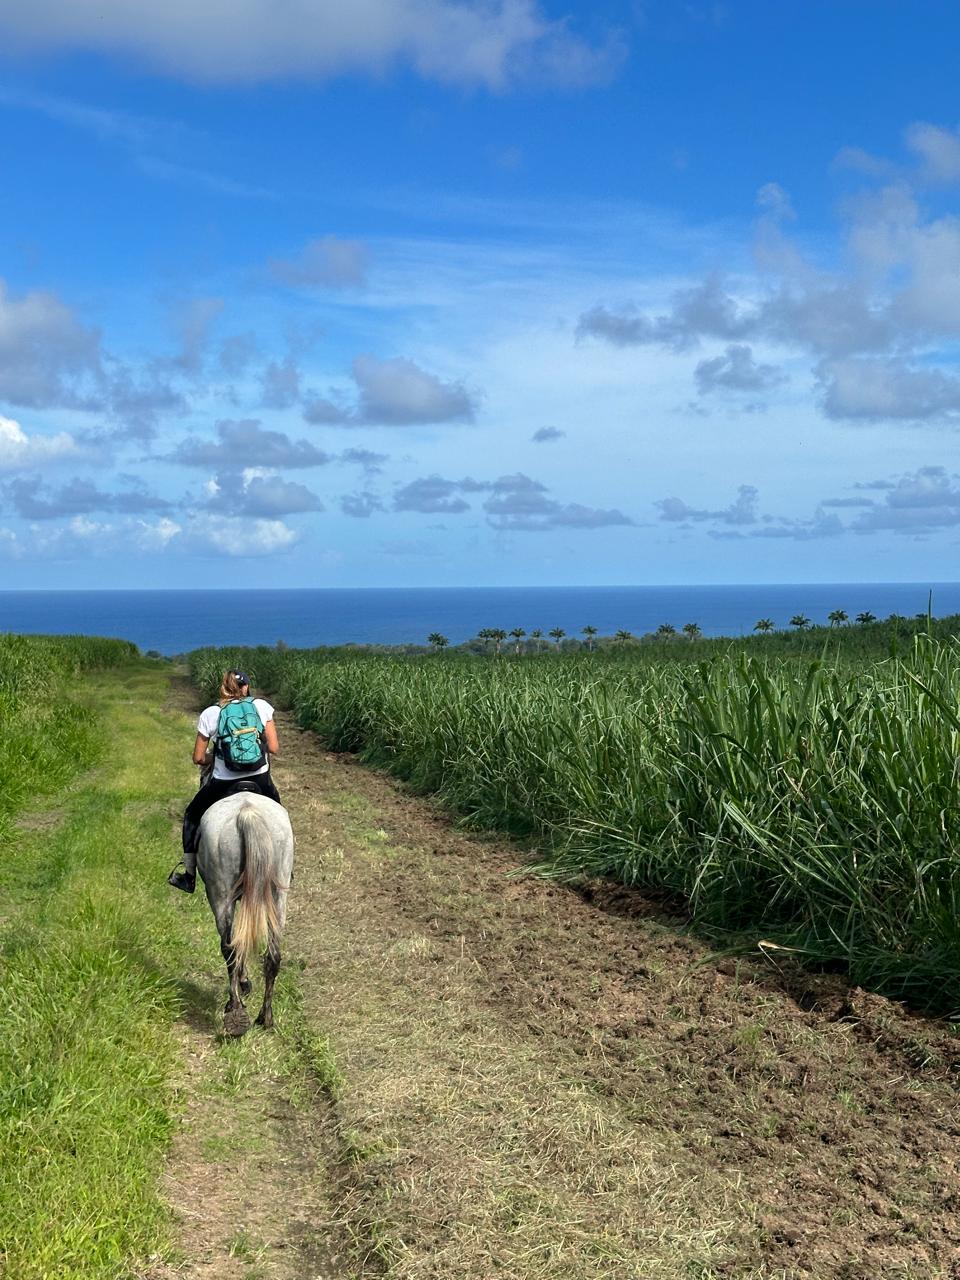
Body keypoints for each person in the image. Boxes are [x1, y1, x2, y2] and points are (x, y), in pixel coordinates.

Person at [168, 668, 283, 893]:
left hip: (223, 781)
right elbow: (274, 748)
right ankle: (285, 868)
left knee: (191, 815)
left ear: (223, 687)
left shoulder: (211, 713)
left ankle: (188, 876)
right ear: (246, 687)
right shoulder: (261, 707)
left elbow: (198, 758)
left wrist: (217, 755)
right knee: (280, 814)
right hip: (260, 778)